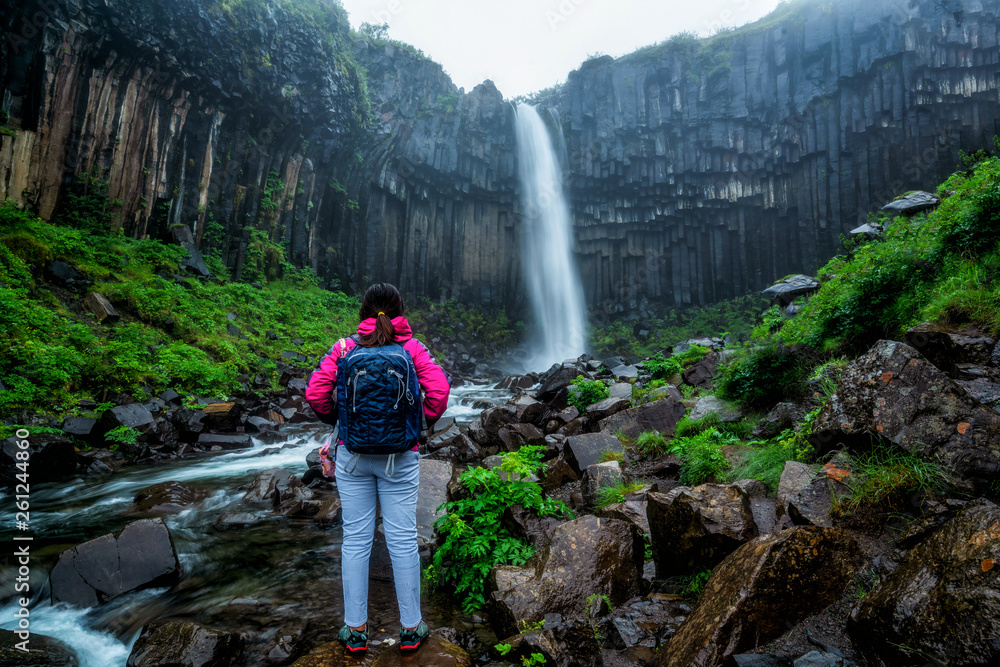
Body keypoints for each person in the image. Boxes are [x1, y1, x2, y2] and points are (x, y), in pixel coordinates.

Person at [305, 283, 450, 653]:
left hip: (352, 456)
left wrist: (343, 422)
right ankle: (411, 628)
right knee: (402, 539)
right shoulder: (412, 349)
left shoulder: (344, 348)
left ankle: (355, 632)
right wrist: (414, 427)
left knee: (355, 540)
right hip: (400, 458)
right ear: (400, 311)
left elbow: (316, 394)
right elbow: (439, 392)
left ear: (363, 313)